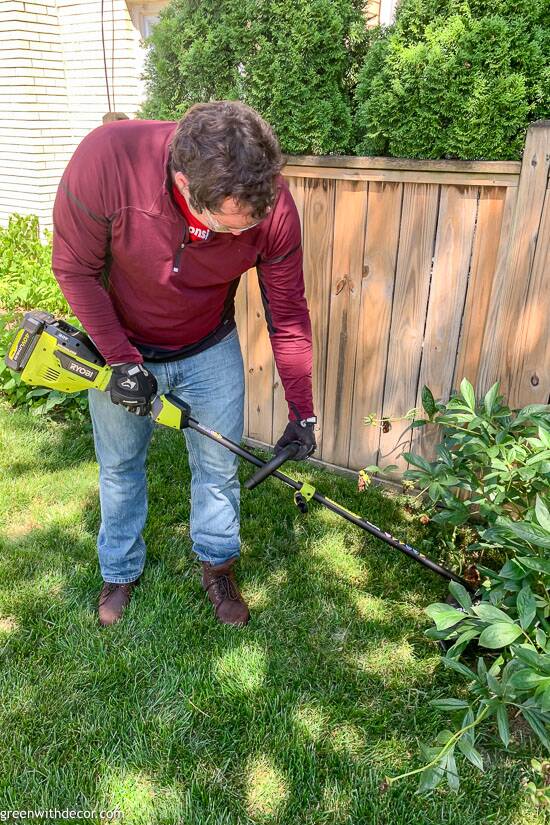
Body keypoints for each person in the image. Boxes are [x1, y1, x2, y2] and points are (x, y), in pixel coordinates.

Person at [52, 100, 316, 628]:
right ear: (183, 183)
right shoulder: (108, 160)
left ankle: (218, 566)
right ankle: (120, 570)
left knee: (218, 469)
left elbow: (286, 313)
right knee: (121, 467)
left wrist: (302, 410)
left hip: (208, 345)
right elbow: (73, 269)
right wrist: (122, 363)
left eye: (254, 225)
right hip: (122, 344)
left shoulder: (270, 205)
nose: (245, 236)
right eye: (230, 226)